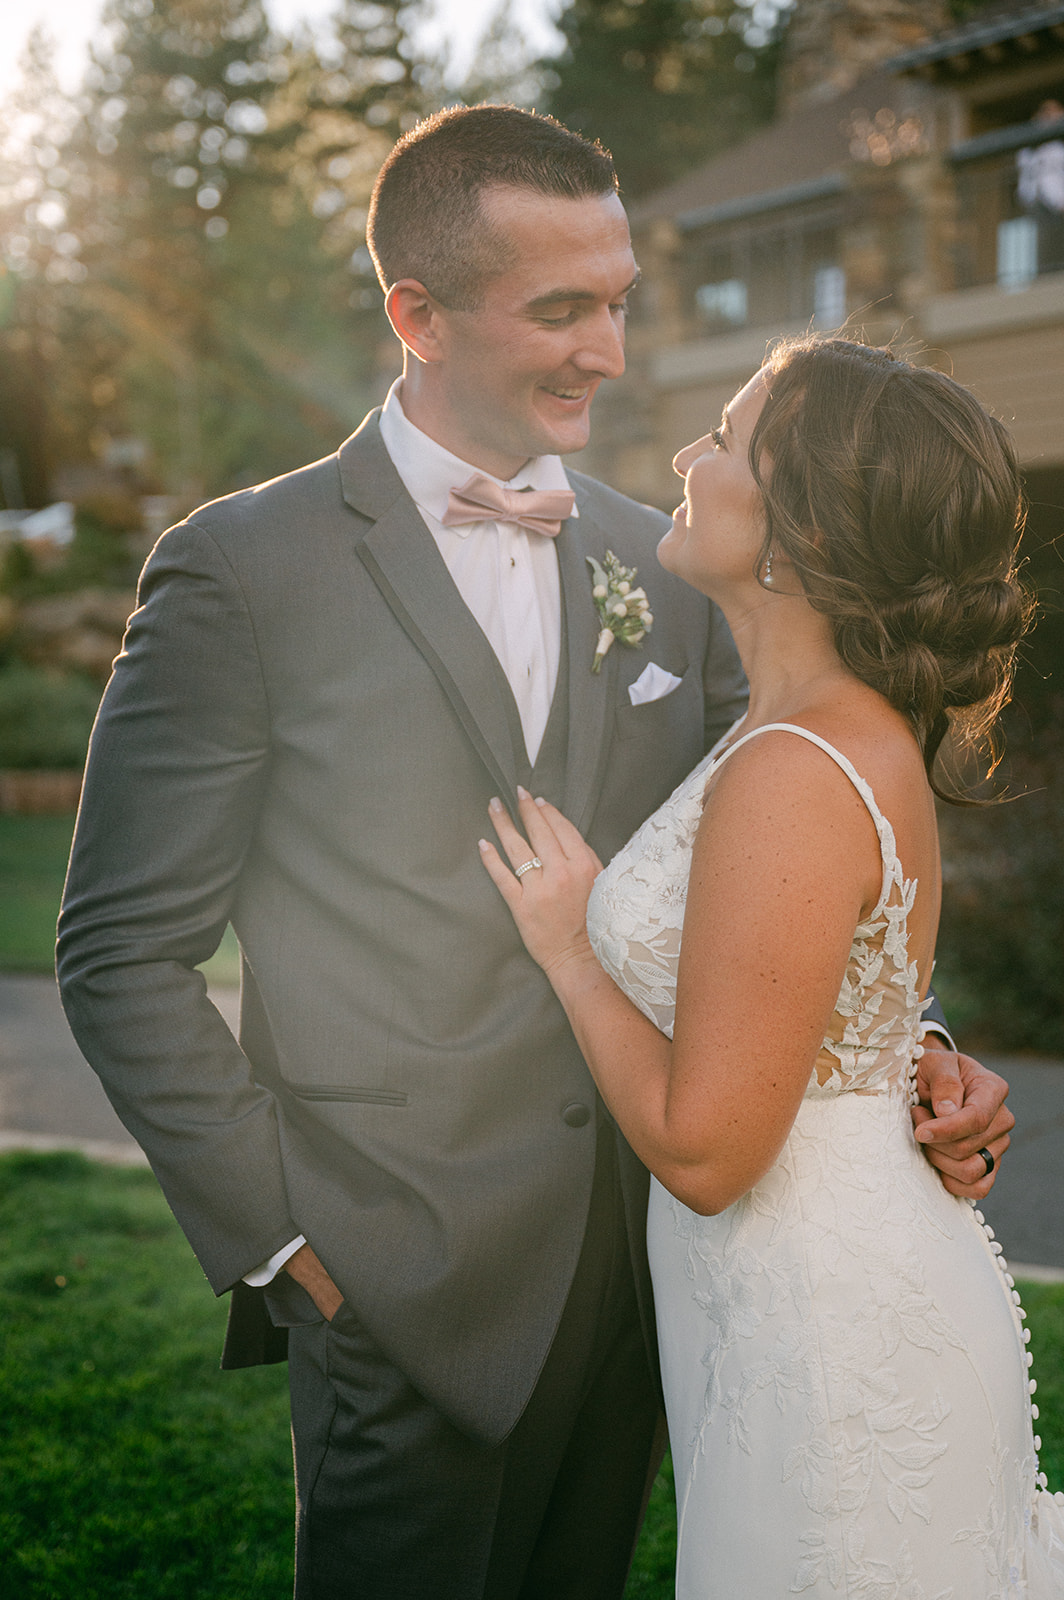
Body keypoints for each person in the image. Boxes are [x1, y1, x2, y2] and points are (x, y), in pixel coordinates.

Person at [57, 106, 1010, 1600]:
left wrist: (913, 1041)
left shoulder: (680, 565)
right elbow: (119, 953)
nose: (611, 351)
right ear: (416, 315)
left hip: (654, 1286)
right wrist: (289, 1245)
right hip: (394, 1282)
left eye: (619, 298)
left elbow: (777, 867)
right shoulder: (243, 572)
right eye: (560, 308)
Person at [480, 334, 1064, 1596]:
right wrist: (928, 1055)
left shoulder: (792, 769)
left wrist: (571, 947)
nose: (689, 455)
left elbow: (706, 1153)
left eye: (728, 438)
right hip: (803, 1296)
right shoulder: (805, 726)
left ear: (802, 524)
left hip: (822, 1336)